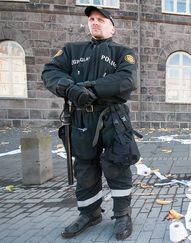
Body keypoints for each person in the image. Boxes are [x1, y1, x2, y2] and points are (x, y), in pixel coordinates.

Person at [42, 6, 140, 240]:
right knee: (85, 167)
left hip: (113, 117)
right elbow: (50, 72)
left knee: (118, 164)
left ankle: (122, 214)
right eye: (92, 19)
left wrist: (88, 89)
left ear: (112, 27)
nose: (95, 22)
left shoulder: (123, 52)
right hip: (81, 117)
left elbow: (126, 80)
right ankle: (90, 213)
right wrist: (69, 89)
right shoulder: (71, 50)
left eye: (101, 20)